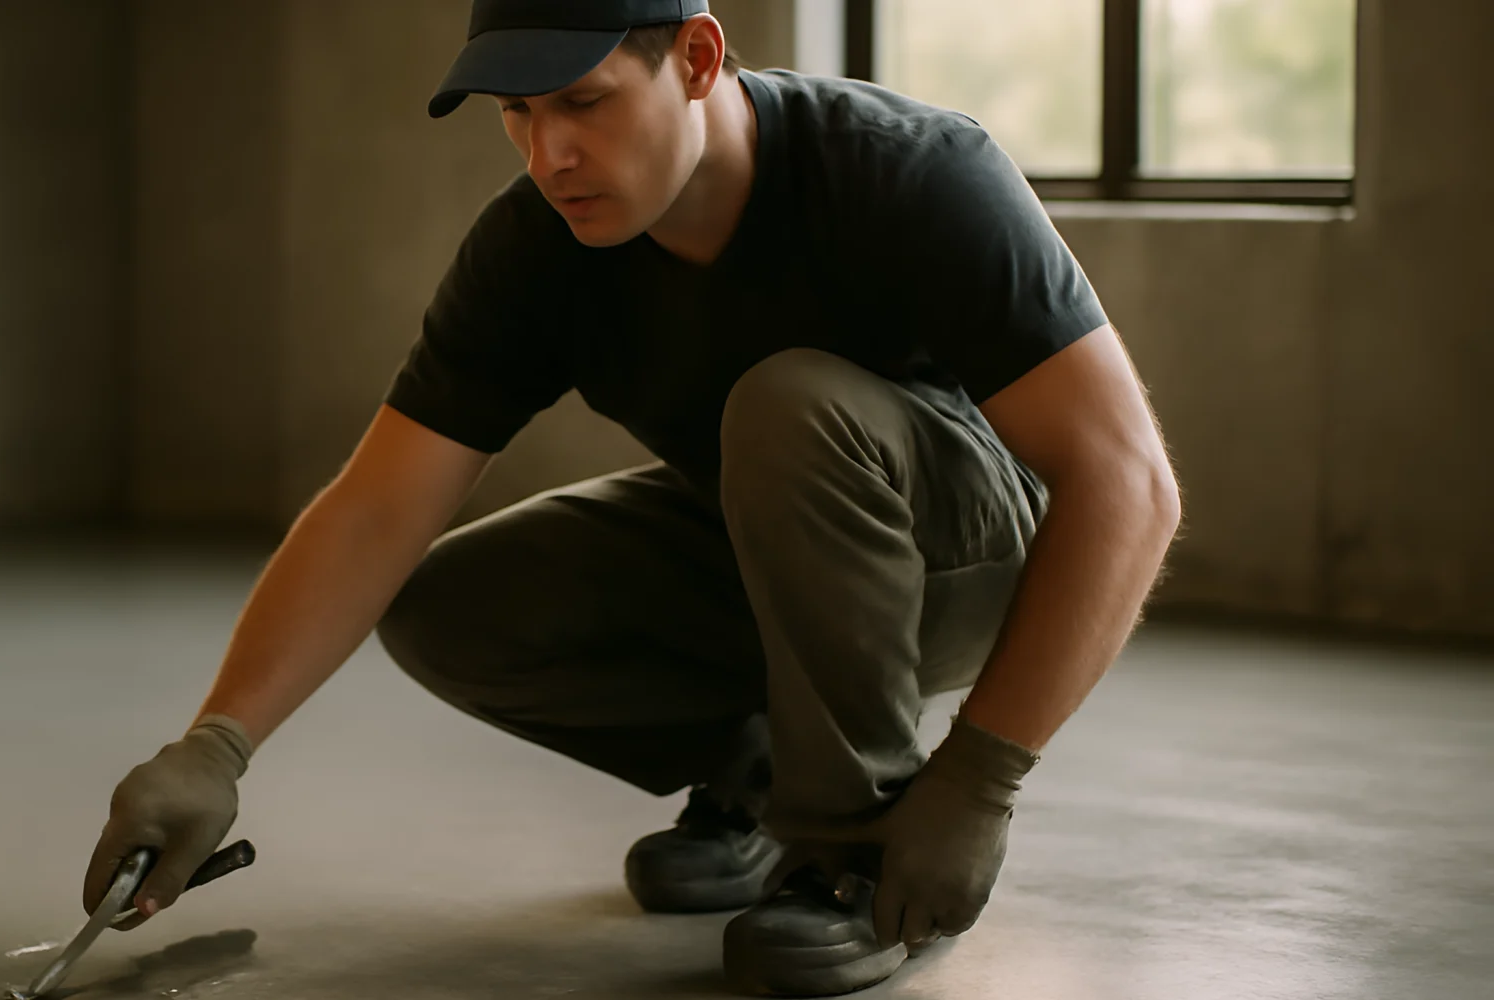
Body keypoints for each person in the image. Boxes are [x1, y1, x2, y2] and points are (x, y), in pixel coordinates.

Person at [83, 0, 1181, 995]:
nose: (548, 154)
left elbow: (1127, 482)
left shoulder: (908, 171)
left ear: (696, 58)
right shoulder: (535, 248)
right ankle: (765, 771)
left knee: (786, 403)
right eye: (517, 112)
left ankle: (851, 853)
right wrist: (217, 745)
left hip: (969, 561)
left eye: (583, 101)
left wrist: (981, 778)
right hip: (770, 542)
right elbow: (376, 507)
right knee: (449, 605)